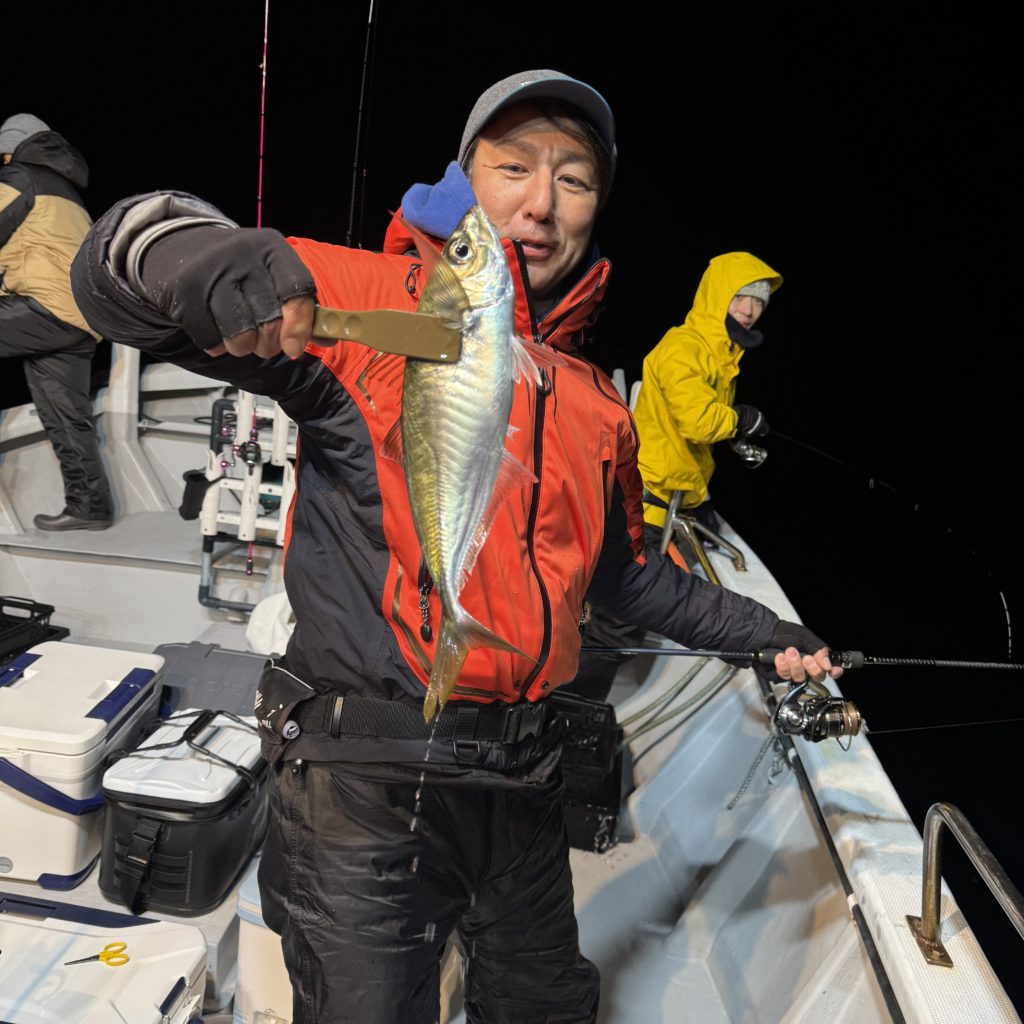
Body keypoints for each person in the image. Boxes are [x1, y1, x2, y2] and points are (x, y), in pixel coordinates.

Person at [70, 70, 838, 1024]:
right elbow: (113, 281)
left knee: (547, 1006)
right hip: (364, 784)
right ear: (464, 181)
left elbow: (630, 578)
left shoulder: (597, 401)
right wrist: (185, 253)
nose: (541, 202)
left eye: (574, 179)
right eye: (512, 168)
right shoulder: (381, 308)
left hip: (520, 782)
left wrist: (767, 633)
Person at [0, 112, 114, 530]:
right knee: (67, 417)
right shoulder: (69, 192)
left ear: (12, 148)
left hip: (45, 306)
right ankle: (90, 507)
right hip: (82, 319)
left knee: (65, 416)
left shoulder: (20, 176)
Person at [633, 251, 782, 543]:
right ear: (716, 297)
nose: (749, 311)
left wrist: (734, 434)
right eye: (739, 297)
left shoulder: (722, 357)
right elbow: (698, 423)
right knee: (652, 570)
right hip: (647, 497)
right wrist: (740, 419)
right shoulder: (684, 348)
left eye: (758, 302)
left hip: (683, 490)